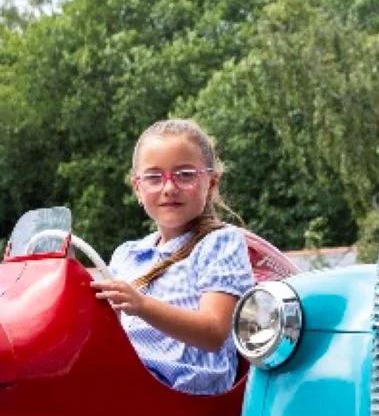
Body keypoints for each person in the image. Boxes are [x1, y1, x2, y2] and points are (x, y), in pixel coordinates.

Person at [90, 119, 256, 394]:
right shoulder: (128, 255)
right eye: (154, 177)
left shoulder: (219, 242)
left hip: (182, 394)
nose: (169, 188)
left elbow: (214, 332)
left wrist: (141, 305)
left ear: (211, 182)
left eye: (185, 174)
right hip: (128, 379)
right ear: (137, 188)